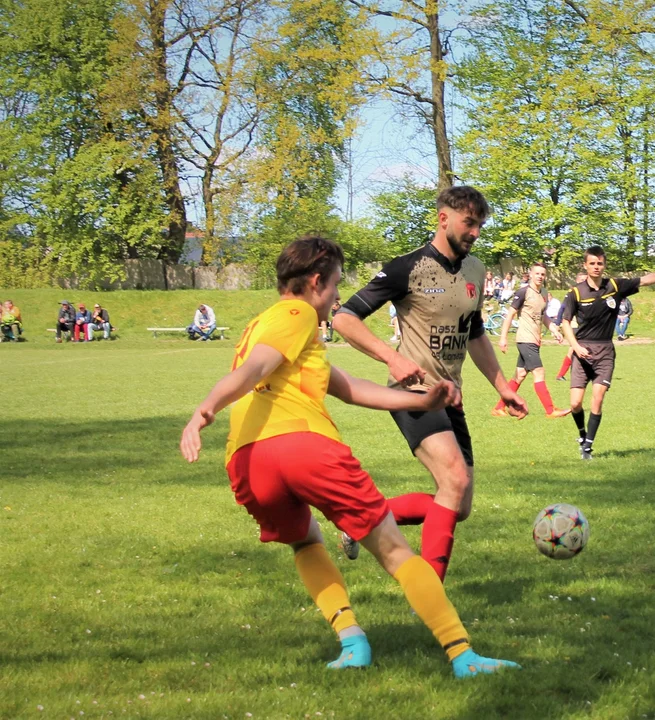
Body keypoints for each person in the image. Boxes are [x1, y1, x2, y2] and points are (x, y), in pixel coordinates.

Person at [179, 235, 517, 677]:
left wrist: (420, 402)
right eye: (337, 283)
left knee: (305, 540)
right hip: (303, 448)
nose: (338, 295)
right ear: (316, 281)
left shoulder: (265, 323)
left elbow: (347, 387)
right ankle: (462, 656)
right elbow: (254, 370)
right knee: (396, 552)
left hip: (246, 461)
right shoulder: (298, 313)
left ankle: (352, 642)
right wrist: (204, 410)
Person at [332, 185, 527, 581]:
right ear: (443, 219)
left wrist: (502, 386)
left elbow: (474, 334)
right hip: (412, 395)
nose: (474, 232)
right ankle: (430, 594)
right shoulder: (409, 267)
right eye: (468, 223)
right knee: (453, 480)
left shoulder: (475, 270)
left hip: (450, 398)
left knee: (460, 504)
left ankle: (361, 521)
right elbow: (344, 318)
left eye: (479, 225)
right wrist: (392, 357)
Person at [561, 246, 655, 460]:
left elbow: (648, 279)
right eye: (592, 263)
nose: (596, 267)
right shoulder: (575, 293)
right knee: (575, 403)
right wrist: (575, 347)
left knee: (597, 399)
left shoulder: (614, 285)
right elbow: (565, 322)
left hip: (604, 351)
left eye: (600, 263)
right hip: (582, 350)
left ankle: (588, 447)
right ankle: (582, 434)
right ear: (585, 265)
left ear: (604, 265)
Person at [493, 262, 570, 419]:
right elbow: (510, 315)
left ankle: (499, 407)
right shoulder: (522, 293)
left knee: (519, 375)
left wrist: (554, 330)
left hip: (535, 340)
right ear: (531, 274)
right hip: (525, 339)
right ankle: (550, 410)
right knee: (539, 372)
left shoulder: (543, 293)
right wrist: (503, 338)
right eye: (537, 273)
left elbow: (544, 317)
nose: (540, 276)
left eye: (543, 274)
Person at [555, 273, 588, 382]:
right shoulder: (573, 292)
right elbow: (562, 307)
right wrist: (557, 323)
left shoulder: (588, 292)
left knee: (575, 350)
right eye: (582, 279)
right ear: (577, 280)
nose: (584, 281)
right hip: (573, 326)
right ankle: (562, 375)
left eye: (586, 279)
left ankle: (563, 374)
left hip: (582, 326)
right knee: (576, 349)